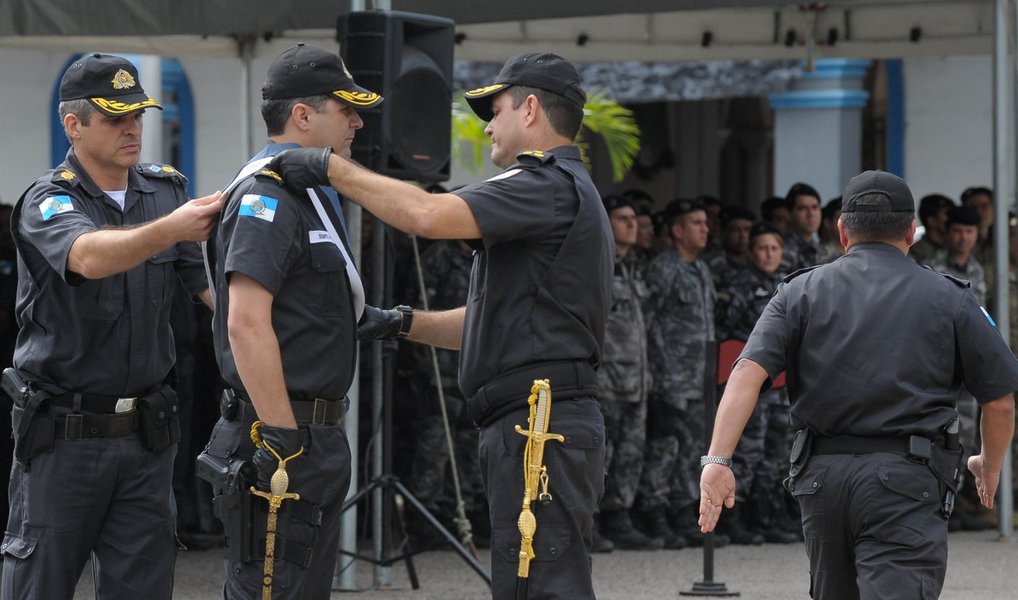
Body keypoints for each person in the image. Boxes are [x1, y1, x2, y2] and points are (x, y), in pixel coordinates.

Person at [267, 51, 611, 600]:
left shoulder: (542, 184)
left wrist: (331, 167)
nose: (488, 126)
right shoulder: (558, 190)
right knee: (531, 584)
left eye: (493, 110)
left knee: (543, 587)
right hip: (536, 420)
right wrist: (400, 323)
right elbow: (490, 323)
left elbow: (427, 216)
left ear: (529, 109)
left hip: (541, 424)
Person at [699, 170, 1018, 599]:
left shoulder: (798, 292)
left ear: (842, 230)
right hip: (907, 480)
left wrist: (718, 460)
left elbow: (745, 375)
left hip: (822, 481)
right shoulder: (951, 298)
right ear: (911, 231)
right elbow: (1000, 403)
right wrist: (990, 465)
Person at [1, 53, 223, 598]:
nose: (132, 128)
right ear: (73, 125)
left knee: (143, 587)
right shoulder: (49, 199)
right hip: (65, 438)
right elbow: (89, 256)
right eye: (115, 116)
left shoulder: (164, 190)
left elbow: (209, 290)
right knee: (40, 584)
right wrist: (170, 228)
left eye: (138, 114)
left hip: (146, 439)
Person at [197, 44, 379, 599]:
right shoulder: (267, 195)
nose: (357, 120)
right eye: (343, 108)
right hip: (279, 435)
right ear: (303, 116)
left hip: (311, 434)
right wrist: (281, 441)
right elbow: (245, 324)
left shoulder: (308, 194)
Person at [634, 198, 721, 549]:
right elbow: (646, 323)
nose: (705, 228)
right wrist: (654, 374)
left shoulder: (700, 269)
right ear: (677, 230)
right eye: (696, 223)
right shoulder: (664, 268)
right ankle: (653, 510)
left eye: (705, 222)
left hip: (698, 377)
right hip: (669, 377)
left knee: (692, 451)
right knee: (664, 448)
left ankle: (684, 510)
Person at [714, 223, 798, 545]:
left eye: (774, 248)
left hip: (781, 384)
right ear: (752, 252)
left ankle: (768, 514)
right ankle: (736, 517)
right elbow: (727, 334)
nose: (768, 254)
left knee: (777, 453)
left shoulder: (789, 285)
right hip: (753, 384)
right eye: (762, 248)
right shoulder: (740, 285)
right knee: (748, 452)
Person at [595, 194, 661, 551]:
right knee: (599, 452)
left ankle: (619, 516)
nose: (632, 224)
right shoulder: (596, 264)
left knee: (631, 451)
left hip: (638, 378)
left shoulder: (637, 266)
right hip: (606, 378)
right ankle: (589, 520)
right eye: (622, 218)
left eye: (634, 218)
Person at [780, 182, 837, 272]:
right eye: (802, 208)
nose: (811, 214)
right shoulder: (782, 248)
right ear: (789, 214)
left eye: (815, 207)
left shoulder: (818, 248)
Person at [909, 193, 954, 265]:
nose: (952, 219)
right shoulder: (917, 253)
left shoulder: (955, 248)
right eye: (947, 215)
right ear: (932, 221)